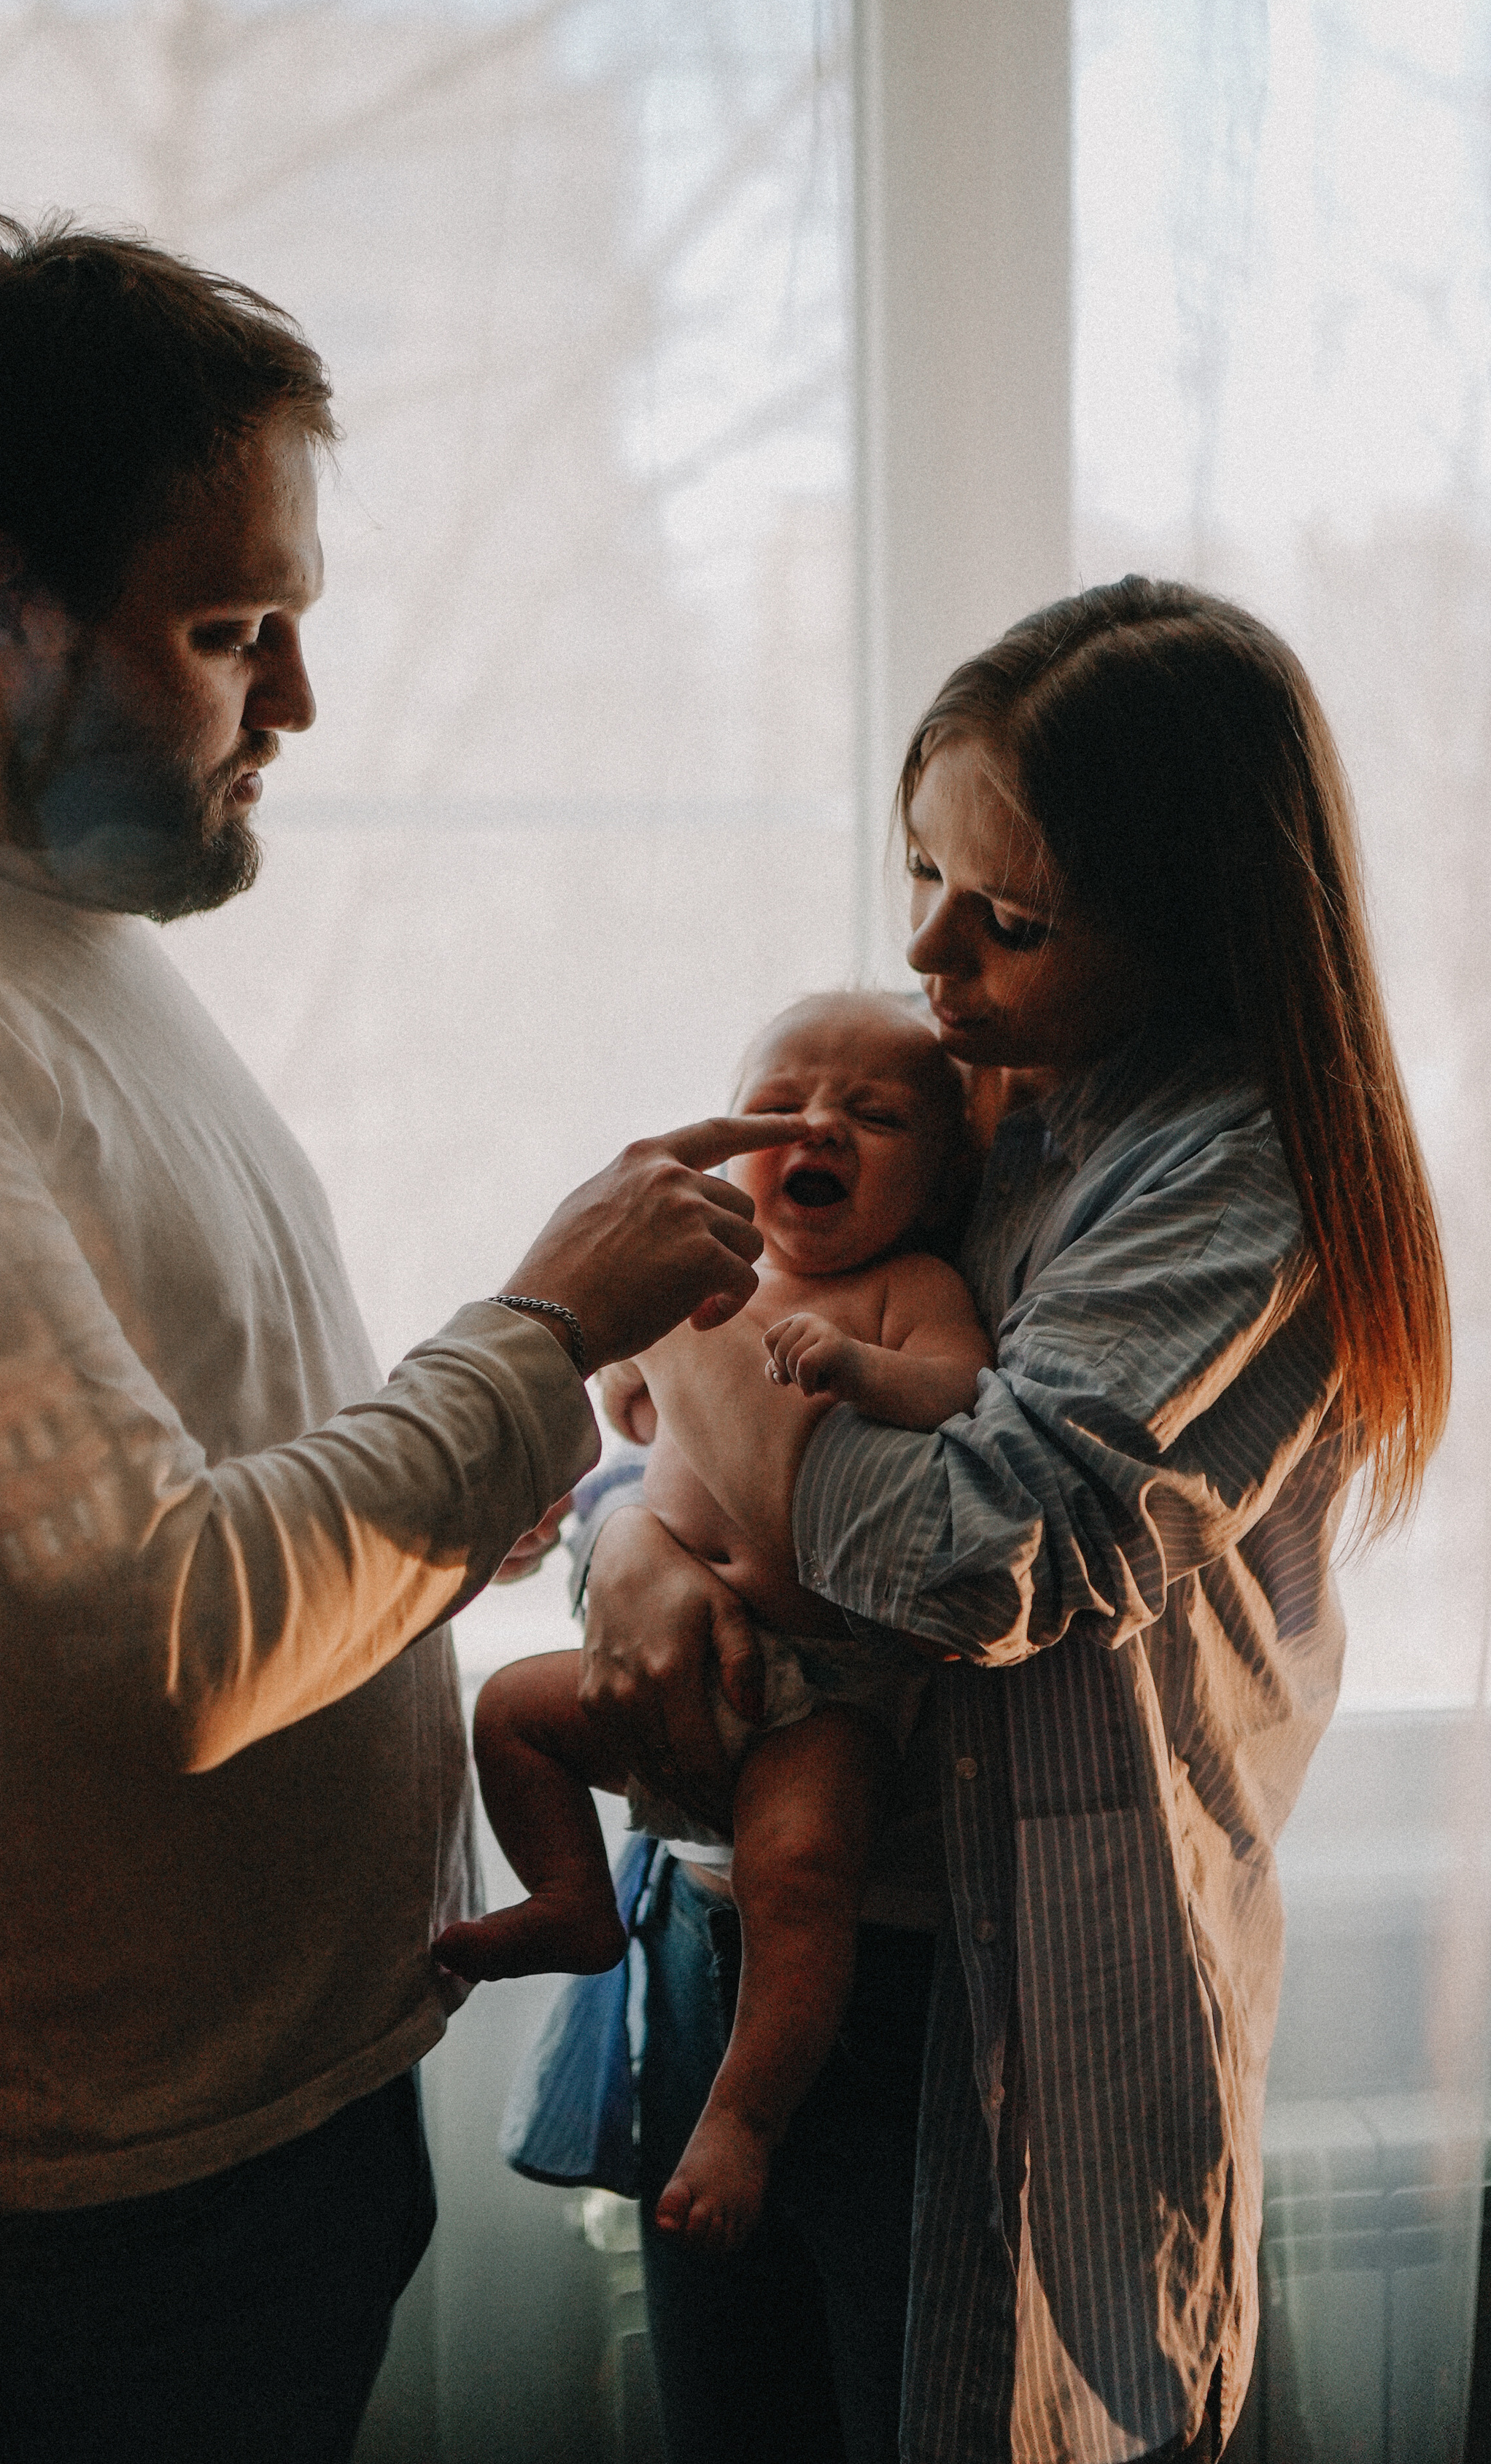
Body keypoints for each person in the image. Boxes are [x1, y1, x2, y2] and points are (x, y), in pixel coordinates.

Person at [0, 213, 812, 2464]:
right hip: (88, 2222)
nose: (298, 705)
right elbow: (159, 1633)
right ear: (4, 607)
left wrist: (505, 1460)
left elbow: (134, 1470)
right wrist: (539, 1331)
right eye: (232, 630)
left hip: (220, 2139)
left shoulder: (24, 913)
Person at [573, 578, 1451, 2464]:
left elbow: (969, 1554)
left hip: (981, 1991)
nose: (925, 948)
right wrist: (627, 1545)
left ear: (1194, 920)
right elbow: (669, 1457)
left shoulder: (1231, 1175)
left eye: (1009, 917)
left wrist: (673, 1317)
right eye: (923, 873)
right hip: (729, 1933)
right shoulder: (973, 1109)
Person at [435, 991, 990, 2255]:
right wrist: (551, 1506)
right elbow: (617, 1424)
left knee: (801, 1871)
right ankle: (572, 1895)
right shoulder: (700, 1285)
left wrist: (866, 1370)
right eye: (782, 1104)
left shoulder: (910, 1285)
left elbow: (960, 1384)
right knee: (510, 1713)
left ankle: (743, 2114)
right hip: (678, 1659)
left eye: (873, 1114)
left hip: (821, 1691)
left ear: (942, 1174)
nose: (820, 1126)